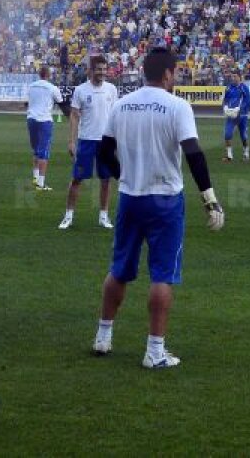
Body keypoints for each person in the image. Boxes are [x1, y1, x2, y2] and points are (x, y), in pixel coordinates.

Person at [91, 48, 224, 369]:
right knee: (162, 274)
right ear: (167, 74)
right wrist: (209, 198)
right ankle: (154, 351)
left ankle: (103, 336)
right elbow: (193, 153)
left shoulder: (122, 104)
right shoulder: (177, 106)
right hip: (165, 200)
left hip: (130, 198)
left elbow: (103, 153)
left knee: (119, 268)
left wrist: (125, 175)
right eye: (175, 72)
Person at [58, 56, 119, 231]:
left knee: (106, 179)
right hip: (86, 141)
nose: (102, 72)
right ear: (90, 71)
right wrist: (71, 141)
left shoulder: (111, 89)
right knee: (77, 179)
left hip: (107, 141)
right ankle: (68, 216)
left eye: (104, 69)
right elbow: (74, 116)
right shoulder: (81, 90)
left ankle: (103, 216)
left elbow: (115, 116)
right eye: (98, 69)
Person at [26, 67, 64, 191]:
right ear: (49, 75)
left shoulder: (31, 86)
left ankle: (35, 178)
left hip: (31, 118)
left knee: (36, 149)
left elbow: (28, 101)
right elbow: (61, 101)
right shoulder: (52, 88)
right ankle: (41, 183)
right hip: (44, 120)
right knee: (44, 152)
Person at [221, 71, 250, 162]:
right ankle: (229, 156)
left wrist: (239, 109)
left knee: (243, 135)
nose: (233, 78)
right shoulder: (229, 87)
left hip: (242, 115)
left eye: (235, 76)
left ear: (240, 77)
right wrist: (225, 107)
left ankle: (246, 152)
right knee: (227, 134)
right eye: (232, 76)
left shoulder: (244, 88)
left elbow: (248, 101)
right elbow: (225, 99)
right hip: (231, 115)